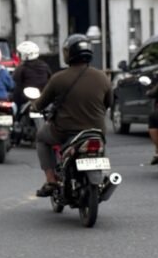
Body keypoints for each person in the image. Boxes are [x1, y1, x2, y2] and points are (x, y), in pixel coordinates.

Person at [32, 34, 113, 197]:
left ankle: (51, 180)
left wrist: (33, 106)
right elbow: (109, 102)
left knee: (41, 138)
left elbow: (39, 105)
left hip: (65, 131)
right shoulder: (103, 77)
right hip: (96, 131)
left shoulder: (58, 78)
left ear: (69, 53)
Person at [12, 41, 51, 107]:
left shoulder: (21, 68)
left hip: (25, 99)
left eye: (19, 54)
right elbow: (50, 79)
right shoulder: (45, 66)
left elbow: (15, 84)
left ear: (25, 55)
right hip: (43, 98)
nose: (18, 56)